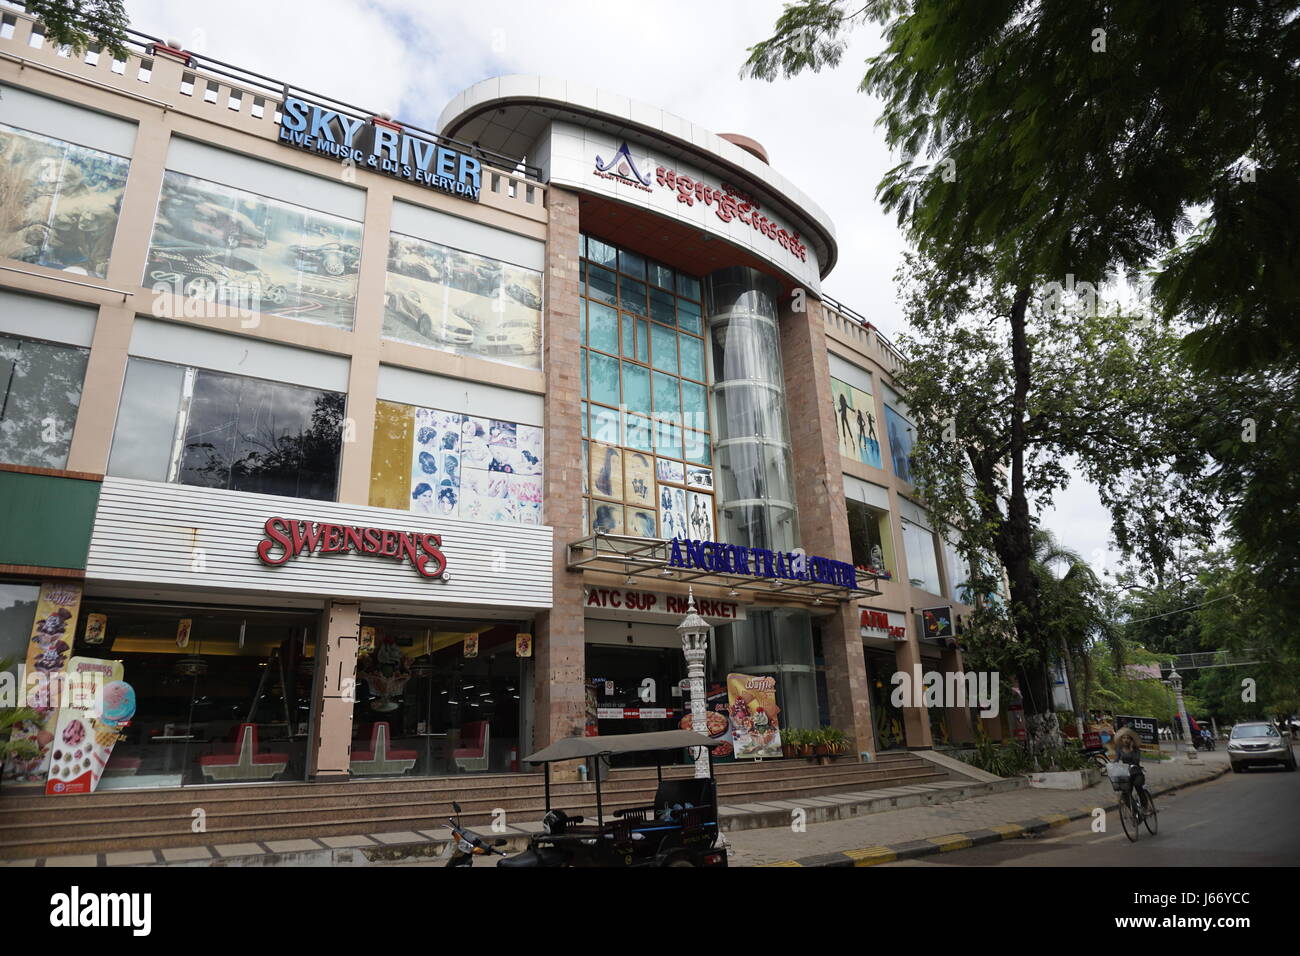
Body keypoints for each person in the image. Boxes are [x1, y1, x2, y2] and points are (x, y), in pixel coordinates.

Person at [1117, 732, 1148, 803]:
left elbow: (1136, 760)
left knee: (1138, 785)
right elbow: (1116, 759)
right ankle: (1134, 811)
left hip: (1137, 773)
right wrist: (1111, 766)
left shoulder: (1136, 749)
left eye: (1128, 738)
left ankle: (1145, 806)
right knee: (1126, 794)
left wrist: (1131, 749)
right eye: (1124, 738)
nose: (1126, 740)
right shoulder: (1119, 749)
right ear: (1121, 740)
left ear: (1131, 740)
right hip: (1126, 774)